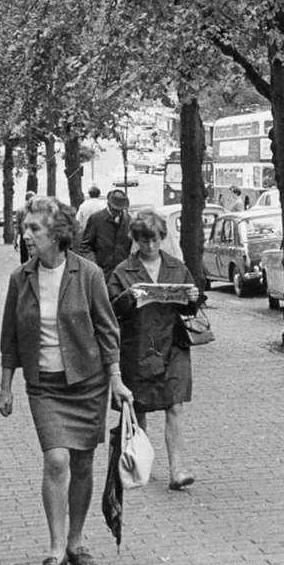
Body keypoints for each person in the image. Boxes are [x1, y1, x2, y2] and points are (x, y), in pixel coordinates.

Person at [0, 196, 128, 565]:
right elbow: (9, 337)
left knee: (84, 464)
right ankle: (55, 548)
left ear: (57, 234)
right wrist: (5, 386)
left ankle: (76, 539)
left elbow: (108, 330)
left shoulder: (87, 274)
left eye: (33, 229)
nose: (27, 235)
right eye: (25, 228)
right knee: (56, 460)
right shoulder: (20, 278)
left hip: (87, 383)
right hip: (44, 385)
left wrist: (117, 378)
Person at [108, 208, 203, 492]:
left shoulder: (176, 266)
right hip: (138, 346)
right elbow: (110, 310)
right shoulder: (122, 271)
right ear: (136, 240)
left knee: (175, 405)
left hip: (172, 344)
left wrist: (194, 298)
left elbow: (189, 306)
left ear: (162, 238)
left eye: (154, 240)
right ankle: (141, 464)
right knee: (139, 407)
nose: (149, 246)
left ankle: (178, 469)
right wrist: (129, 297)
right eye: (143, 241)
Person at [78, 188, 133, 274]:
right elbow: (85, 247)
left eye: (120, 210)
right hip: (102, 272)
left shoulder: (128, 220)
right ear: (108, 205)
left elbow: (131, 247)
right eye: (115, 210)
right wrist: (94, 266)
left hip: (122, 273)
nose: (118, 213)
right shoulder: (96, 219)